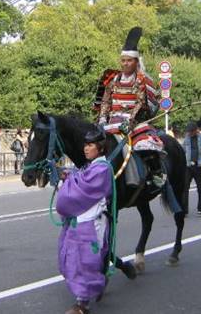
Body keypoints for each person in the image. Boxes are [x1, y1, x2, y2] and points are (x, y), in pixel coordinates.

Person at [97, 27, 163, 187]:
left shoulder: (141, 80)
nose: (126, 64)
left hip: (135, 122)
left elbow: (141, 102)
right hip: (112, 121)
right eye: (123, 60)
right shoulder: (112, 80)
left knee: (146, 144)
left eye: (129, 61)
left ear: (135, 62)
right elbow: (105, 101)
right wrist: (102, 118)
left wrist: (131, 119)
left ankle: (155, 174)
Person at [56, 128, 113, 314]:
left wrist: (70, 179)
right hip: (80, 219)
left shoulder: (102, 168)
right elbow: (79, 180)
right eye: (85, 145)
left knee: (85, 261)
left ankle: (82, 304)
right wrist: (68, 176)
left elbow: (82, 188)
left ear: (100, 148)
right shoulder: (91, 166)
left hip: (91, 221)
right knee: (74, 258)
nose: (85, 149)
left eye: (90, 145)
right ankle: (91, 289)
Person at [183, 121, 201, 215]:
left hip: (199, 166)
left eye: (191, 131)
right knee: (185, 188)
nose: (189, 133)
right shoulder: (187, 138)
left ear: (196, 130)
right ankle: (184, 210)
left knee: (200, 188)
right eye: (188, 132)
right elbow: (183, 150)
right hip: (188, 166)